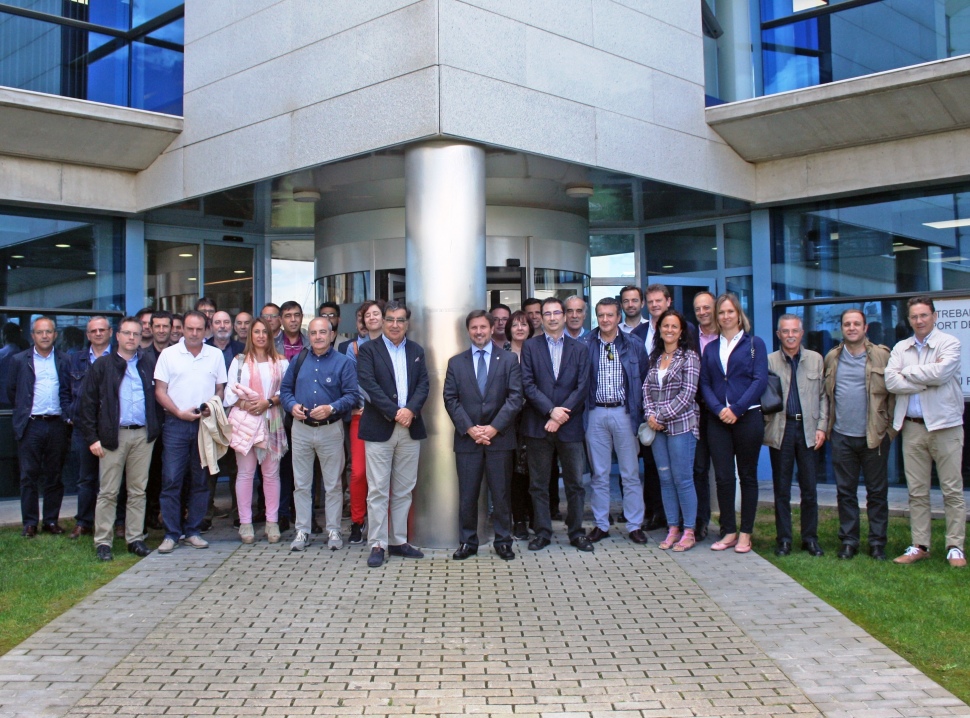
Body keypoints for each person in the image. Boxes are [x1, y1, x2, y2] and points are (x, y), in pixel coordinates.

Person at [885, 296, 966, 568]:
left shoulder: (949, 343)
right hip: (912, 427)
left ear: (934, 316)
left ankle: (955, 546)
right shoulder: (900, 347)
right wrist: (924, 381)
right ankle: (920, 545)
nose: (919, 321)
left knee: (952, 489)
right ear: (909, 320)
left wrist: (908, 372)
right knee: (916, 492)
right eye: (914, 317)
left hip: (945, 426)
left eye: (924, 315)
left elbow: (942, 374)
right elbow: (891, 380)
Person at [76, 317, 159, 561]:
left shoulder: (147, 363)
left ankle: (135, 539)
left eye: (136, 333)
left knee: (137, 491)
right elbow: (87, 404)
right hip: (114, 436)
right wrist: (92, 437)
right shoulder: (102, 365)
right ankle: (103, 542)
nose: (132, 337)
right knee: (108, 491)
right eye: (127, 333)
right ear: (118, 336)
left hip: (143, 435)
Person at [444, 310, 523, 561]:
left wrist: (493, 428)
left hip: (499, 438)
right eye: (474, 328)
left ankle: (503, 541)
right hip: (468, 439)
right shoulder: (456, 362)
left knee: (500, 494)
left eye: (483, 327)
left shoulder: (508, 360)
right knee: (468, 494)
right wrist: (469, 428)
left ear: (492, 329)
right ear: (469, 331)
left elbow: (515, 397)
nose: (479, 332)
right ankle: (468, 542)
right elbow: (450, 398)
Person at [356, 300, 430, 568]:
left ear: (407, 323)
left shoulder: (417, 351)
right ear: (383, 322)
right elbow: (369, 386)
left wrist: (409, 410)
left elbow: (423, 384)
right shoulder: (368, 351)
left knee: (403, 489)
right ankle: (378, 543)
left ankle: (398, 541)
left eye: (400, 320)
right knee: (377, 490)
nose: (395, 325)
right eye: (390, 319)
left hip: (410, 427)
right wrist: (396, 411)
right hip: (380, 427)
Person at [520, 297, 592, 552]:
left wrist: (561, 415)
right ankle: (542, 532)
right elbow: (527, 384)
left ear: (564, 316)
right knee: (538, 484)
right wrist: (551, 411)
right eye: (546, 313)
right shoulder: (530, 347)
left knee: (575, 484)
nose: (551, 317)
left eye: (556, 313)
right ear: (541, 317)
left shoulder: (580, 349)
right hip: (537, 426)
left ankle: (576, 532)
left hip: (570, 427)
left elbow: (582, 386)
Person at [823, 309, 895, 561]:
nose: (851, 328)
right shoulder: (832, 357)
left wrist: (890, 429)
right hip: (842, 435)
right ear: (842, 328)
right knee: (845, 492)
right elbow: (827, 395)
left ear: (865, 328)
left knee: (877, 492)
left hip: (873, 436)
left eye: (856, 324)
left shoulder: (882, 356)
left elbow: (894, 394)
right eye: (847, 324)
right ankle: (849, 541)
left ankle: (877, 543)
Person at [281, 317, 358, 552]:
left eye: (323, 332)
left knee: (333, 484)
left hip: (331, 429)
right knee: (301, 484)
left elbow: (352, 395)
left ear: (332, 335)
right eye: (313, 333)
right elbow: (285, 390)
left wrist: (331, 408)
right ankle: (302, 530)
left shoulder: (344, 363)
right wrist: (292, 405)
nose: (318, 337)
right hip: (301, 429)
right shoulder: (298, 359)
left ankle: (333, 529)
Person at [153, 310, 227, 554]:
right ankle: (172, 534)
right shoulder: (168, 354)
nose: (194, 334)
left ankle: (193, 531)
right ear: (181, 329)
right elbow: (160, 391)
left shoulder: (215, 355)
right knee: (172, 479)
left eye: (199, 329)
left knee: (200, 480)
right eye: (189, 329)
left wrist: (211, 406)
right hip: (176, 424)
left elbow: (220, 389)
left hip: (204, 424)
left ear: (206, 330)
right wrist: (177, 412)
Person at [699, 293, 767, 554]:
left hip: (747, 417)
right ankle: (728, 531)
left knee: (748, 477)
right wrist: (718, 409)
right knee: (724, 478)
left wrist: (736, 409)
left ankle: (746, 533)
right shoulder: (710, 347)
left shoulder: (754, 344)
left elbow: (759, 380)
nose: (725, 316)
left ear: (739, 314)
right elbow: (704, 382)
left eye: (730, 311)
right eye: (721, 312)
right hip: (718, 421)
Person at [582, 297, 648, 545]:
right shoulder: (586, 343)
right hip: (595, 412)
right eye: (601, 315)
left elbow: (642, 380)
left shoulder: (634, 344)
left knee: (630, 473)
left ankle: (634, 525)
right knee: (599, 474)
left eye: (610, 315)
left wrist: (639, 415)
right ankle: (601, 524)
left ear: (619, 317)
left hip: (624, 413)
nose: (605, 320)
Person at [764, 314, 827, 557]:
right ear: (778, 334)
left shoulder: (815, 360)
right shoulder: (769, 361)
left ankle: (810, 538)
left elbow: (823, 397)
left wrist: (822, 427)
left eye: (794, 331)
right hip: (782, 429)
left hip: (809, 430)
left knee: (809, 488)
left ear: (801, 333)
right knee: (781, 489)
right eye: (785, 331)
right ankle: (784, 540)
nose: (790, 335)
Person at [225, 318, 289, 544]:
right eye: (256, 332)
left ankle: (272, 523)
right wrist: (247, 405)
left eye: (264, 332)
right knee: (245, 474)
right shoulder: (239, 361)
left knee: (271, 474)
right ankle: (246, 523)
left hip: (272, 421)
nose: (261, 335)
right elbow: (229, 394)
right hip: (246, 424)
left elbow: (287, 392)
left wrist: (268, 403)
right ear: (250, 335)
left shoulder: (280, 362)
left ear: (270, 335)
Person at [6, 317, 71, 537]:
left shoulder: (64, 360)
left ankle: (51, 521)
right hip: (31, 425)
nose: (44, 336)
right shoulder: (18, 360)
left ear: (55, 335)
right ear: (32, 336)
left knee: (54, 475)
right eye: (40, 332)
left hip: (57, 425)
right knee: (28, 476)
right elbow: (12, 391)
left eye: (49, 332)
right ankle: (30, 523)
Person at [643, 308, 701, 551]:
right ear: (659, 329)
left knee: (683, 479)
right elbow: (645, 389)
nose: (669, 330)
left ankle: (689, 531)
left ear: (681, 331)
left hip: (681, 427)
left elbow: (688, 394)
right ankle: (673, 528)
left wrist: (661, 416)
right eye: (665, 326)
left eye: (674, 327)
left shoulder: (689, 357)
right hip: (657, 429)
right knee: (665, 479)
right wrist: (649, 415)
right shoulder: (655, 357)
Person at [67, 317, 113, 540]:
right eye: (93, 331)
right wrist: (70, 415)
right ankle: (83, 522)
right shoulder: (76, 360)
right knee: (86, 478)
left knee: (114, 478)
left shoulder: (118, 358)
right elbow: (65, 391)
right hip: (83, 428)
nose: (97, 334)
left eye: (101, 330)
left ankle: (116, 522)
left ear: (110, 332)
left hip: (111, 427)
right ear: (87, 335)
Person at [344, 299, 385, 544]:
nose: (371, 318)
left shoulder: (393, 344)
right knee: (359, 473)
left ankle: (384, 524)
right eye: (366, 315)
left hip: (389, 417)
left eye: (376, 313)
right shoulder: (354, 349)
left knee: (384, 475)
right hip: (362, 415)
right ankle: (357, 521)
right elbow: (352, 382)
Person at [691, 291, 718, 540]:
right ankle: (700, 521)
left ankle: (729, 524)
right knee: (698, 469)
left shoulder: (728, 337)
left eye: (706, 307)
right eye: (698, 309)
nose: (702, 312)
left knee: (722, 471)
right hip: (696, 412)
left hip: (722, 412)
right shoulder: (690, 337)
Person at [507, 310, 534, 540]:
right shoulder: (502, 353)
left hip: (534, 418)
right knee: (515, 472)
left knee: (534, 471)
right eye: (515, 324)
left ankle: (535, 517)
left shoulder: (537, 350)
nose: (519, 328)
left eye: (524, 324)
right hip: (508, 422)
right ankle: (518, 520)